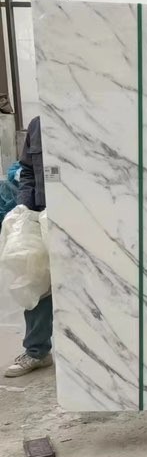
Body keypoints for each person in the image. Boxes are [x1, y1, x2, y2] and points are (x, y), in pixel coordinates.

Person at [5, 116, 53, 377]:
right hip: (42, 213)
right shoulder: (37, 125)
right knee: (36, 281)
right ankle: (37, 351)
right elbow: (27, 170)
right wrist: (24, 205)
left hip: (86, 218)